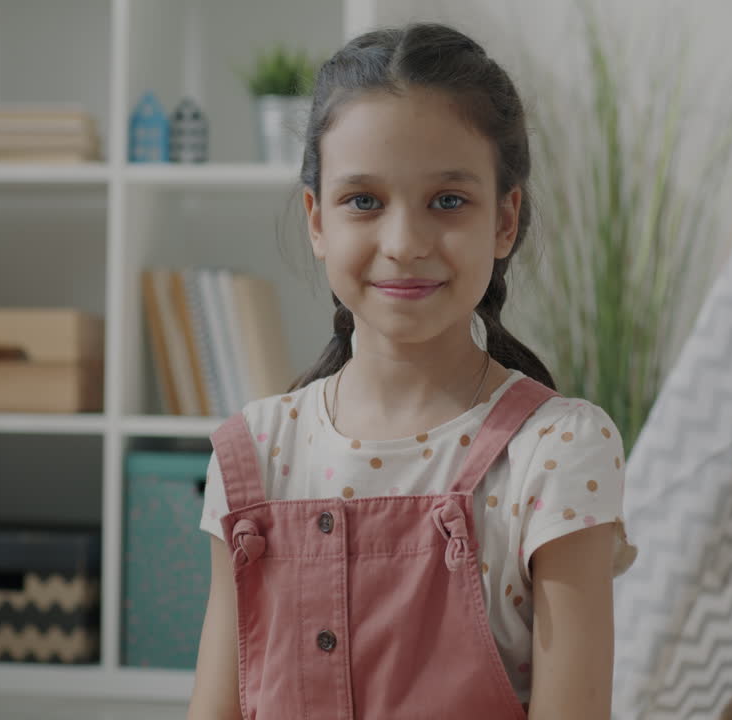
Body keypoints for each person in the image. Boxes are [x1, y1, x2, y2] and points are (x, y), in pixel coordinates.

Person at [187, 21, 637, 720]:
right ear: (316, 221)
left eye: (448, 201)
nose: (403, 243)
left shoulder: (555, 456)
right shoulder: (255, 454)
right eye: (363, 201)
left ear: (504, 220)